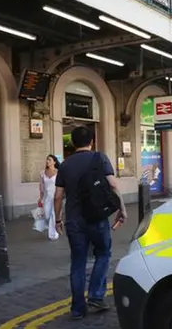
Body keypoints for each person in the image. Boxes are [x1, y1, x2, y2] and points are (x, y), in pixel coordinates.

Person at [54, 126, 127, 319]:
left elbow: (58, 196)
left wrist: (58, 219)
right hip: (97, 217)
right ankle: (95, 295)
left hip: (74, 221)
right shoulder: (99, 158)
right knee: (103, 253)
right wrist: (122, 208)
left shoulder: (65, 165)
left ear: (72, 143)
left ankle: (77, 309)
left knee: (77, 262)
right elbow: (112, 184)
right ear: (92, 141)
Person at [38, 154, 60, 241]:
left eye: (50, 160)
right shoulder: (42, 173)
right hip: (46, 197)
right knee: (47, 215)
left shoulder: (58, 172)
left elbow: (61, 185)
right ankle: (53, 230)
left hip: (55, 196)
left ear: (54, 162)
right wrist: (40, 197)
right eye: (47, 160)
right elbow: (41, 186)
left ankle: (53, 234)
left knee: (53, 214)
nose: (47, 161)